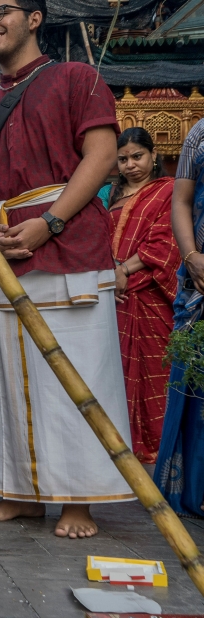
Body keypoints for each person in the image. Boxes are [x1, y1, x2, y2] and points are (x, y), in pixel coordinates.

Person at [0, 0, 134, 538]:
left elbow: (102, 155)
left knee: (78, 373)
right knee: (12, 376)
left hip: (66, 242)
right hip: (3, 244)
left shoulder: (77, 78)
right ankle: (24, 494)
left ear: (35, 19)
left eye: (1, 11)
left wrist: (50, 224)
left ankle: (78, 500)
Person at [99, 129, 178, 465]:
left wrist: (123, 272)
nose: (130, 165)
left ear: (153, 155)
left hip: (147, 294)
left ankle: (158, 446)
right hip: (110, 295)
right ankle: (117, 443)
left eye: (137, 156)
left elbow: (165, 244)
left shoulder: (168, 190)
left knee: (155, 369)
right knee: (112, 371)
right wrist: (108, 275)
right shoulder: (107, 195)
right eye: (123, 159)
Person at [154, 118, 204, 517]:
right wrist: (193, 258)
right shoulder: (199, 133)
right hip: (200, 281)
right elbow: (182, 201)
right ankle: (192, 491)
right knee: (195, 386)